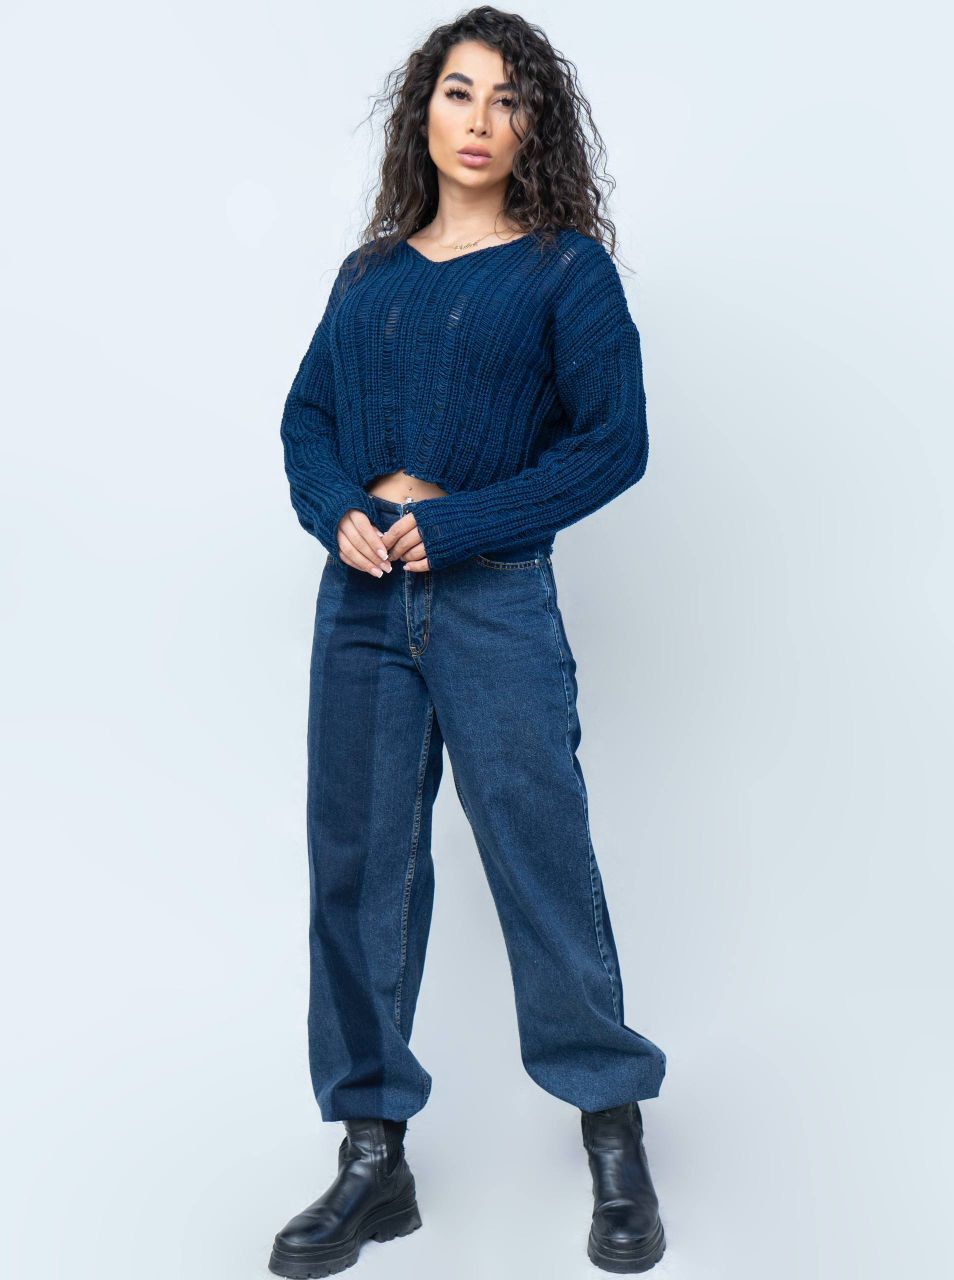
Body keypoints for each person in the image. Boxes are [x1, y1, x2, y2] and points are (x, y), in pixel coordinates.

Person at [269, 7, 668, 1275]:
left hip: (491, 597)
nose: (480, 120)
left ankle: (612, 1131)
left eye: (507, 99)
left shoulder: (564, 271)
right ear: (423, 112)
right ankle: (371, 1156)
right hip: (361, 606)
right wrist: (337, 508)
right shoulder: (368, 276)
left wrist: (458, 524)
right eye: (458, 92)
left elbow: (612, 445)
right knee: (360, 873)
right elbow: (307, 418)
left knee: (540, 857)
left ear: (533, 124)